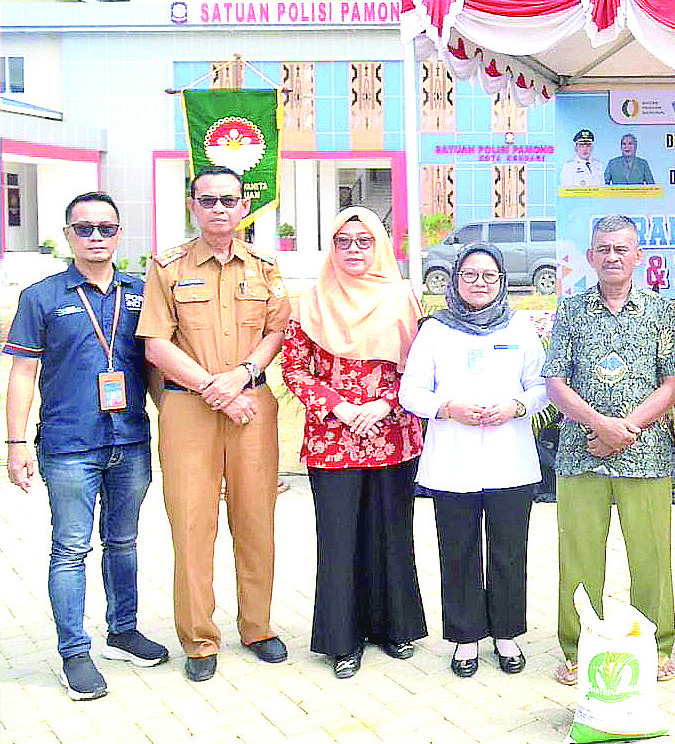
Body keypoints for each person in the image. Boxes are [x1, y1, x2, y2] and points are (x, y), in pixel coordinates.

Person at [4, 192, 167, 699]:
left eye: (106, 228)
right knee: (70, 549)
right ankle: (75, 653)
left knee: (124, 543)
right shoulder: (42, 297)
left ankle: (122, 631)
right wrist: (14, 442)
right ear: (68, 235)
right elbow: (23, 372)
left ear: (119, 234)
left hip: (130, 440)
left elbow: (158, 370)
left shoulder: (141, 293)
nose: (96, 237)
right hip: (69, 444)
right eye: (85, 228)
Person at [137, 166, 290, 682]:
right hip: (190, 410)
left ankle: (257, 626)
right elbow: (156, 344)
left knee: (255, 520)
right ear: (192, 206)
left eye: (229, 199)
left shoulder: (265, 266)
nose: (220, 208)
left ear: (243, 206)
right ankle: (199, 638)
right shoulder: (167, 267)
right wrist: (215, 389)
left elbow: (277, 333)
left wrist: (243, 375)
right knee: (192, 524)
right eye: (208, 200)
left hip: (251, 407)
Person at [281, 207, 426, 679]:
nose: (354, 251)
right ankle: (342, 639)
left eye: (363, 241)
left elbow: (420, 368)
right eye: (343, 241)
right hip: (333, 436)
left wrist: (385, 404)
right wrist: (339, 407)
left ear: (380, 244)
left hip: (392, 432)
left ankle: (394, 627)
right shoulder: (311, 300)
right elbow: (294, 367)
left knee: (391, 532)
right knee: (339, 539)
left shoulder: (403, 298)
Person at [544, 216, 675, 686]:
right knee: (580, 556)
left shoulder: (662, 311)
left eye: (621, 248)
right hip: (581, 451)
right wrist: (599, 425)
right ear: (590, 257)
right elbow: (556, 382)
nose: (612, 256)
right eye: (602, 248)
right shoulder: (571, 311)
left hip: (646, 455)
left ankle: (656, 645)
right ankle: (580, 647)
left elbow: (673, 383)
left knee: (651, 557)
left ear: (639, 255)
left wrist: (627, 428)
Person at [399, 243, 548, 677]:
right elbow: (411, 393)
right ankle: (465, 637)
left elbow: (542, 385)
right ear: (455, 281)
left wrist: (517, 407)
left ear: (502, 280)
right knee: (458, 549)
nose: (479, 283)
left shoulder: (520, 327)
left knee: (508, 550)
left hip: (510, 458)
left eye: (488, 276)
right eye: (470, 275)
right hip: (453, 459)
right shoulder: (435, 331)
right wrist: (447, 408)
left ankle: (506, 634)